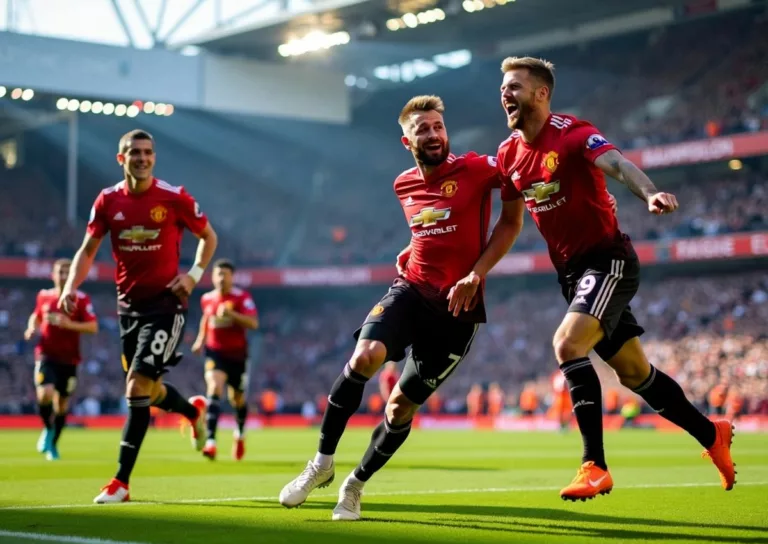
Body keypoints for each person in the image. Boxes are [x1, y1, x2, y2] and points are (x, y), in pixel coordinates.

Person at [485, 56, 734, 500]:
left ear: (541, 93)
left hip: (608, 261)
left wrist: (651, 191)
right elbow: (509, 223)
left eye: (516, 86)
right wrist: (477, 271)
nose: (506, 93)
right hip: (571, 274)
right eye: (504, 87)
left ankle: (594, 466)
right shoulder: (508, 154)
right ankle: (710, 433)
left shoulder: (573, 132)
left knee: (567, 344)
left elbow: (617, 164)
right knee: (635, 373)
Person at [278, 95, 525, 520]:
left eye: (437, 127)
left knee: (399, 408)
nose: (433, 135)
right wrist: (411, 246)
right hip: (410, 290)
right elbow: (431, 224)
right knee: (364, 357)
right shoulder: (403, 184)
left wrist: (477, 273)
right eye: (422, 129)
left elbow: (512, 220)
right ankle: (320, 464)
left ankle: (353, 486)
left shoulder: (478, 169)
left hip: (457, 309)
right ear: (406, 140)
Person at [59, 129, 218, 503]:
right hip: (128, 307)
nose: (142, 158)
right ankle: (192, 412)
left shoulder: (173, 197)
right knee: (149, 390)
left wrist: (194, 276)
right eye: (134, 152)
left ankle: (121, 482)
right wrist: (69, 287)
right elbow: (87, 250)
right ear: (121, 158)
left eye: (148, 152)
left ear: (154, 157)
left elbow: (209, 237)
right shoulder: (107, 200)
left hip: (167, 304)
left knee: (135, 387)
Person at [24, 258, 98, 460]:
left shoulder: (81, 299)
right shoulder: (44, 296)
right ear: (53, 275)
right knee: (45, 393)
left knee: (62, 404)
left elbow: (92, 327)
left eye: (67, 272)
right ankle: (48, 430)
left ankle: (53, 444)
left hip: (70, 359)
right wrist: (32, 327)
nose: (64, 276)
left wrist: (68, 324)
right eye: (60, 272)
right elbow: (37, 316)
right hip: (46, 354)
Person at [191, 259, 258, 461]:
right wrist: (200, 340)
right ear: (212, 277)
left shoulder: (242, 297)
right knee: (214, 387)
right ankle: (211, 441)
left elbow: (253, 323)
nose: (221, 278)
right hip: (215, 352)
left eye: (225, 275)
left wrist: (232, 315)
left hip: (237, 355)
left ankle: (239, 434)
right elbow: (206, 318)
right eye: (218, 274)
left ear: (232, 277)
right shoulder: (207, 299)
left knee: (236, 399)